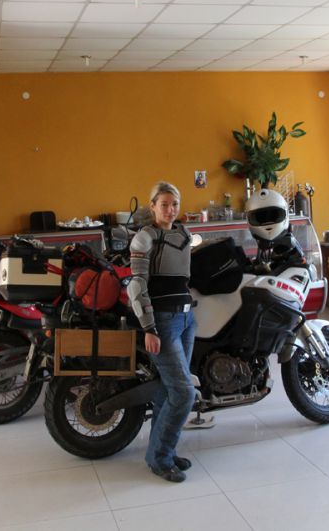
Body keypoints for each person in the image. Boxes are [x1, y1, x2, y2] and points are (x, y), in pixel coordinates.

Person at [127, 181, 196, 483]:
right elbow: (137, 286)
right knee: (183, 392)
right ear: (153, 206)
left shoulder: (183, 234)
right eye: (164, 204)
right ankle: (161, 458)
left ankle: (160, 451)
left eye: (175, 204)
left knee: (169, 390)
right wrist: (149, 328)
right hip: (163, 322)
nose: (170, 210)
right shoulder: (145, 237)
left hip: (186, 317)